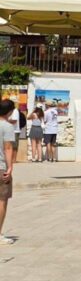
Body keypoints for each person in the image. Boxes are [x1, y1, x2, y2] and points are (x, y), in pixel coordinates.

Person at [0, 99, 16, 245]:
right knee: (2, 201)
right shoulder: (7, 126)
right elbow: (8, 148)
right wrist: (10, 167)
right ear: (10, 111)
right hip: (1, 167)